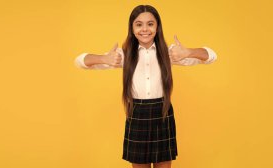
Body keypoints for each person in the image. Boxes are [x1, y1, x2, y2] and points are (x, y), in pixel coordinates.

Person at [74, 5, 217, 168]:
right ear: (132, 28)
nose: (145, 29)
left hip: (162, 113)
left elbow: (211, 56)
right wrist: (104, 59)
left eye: (150, 24)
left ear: (157, 27)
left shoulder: (169, 53)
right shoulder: (124, 54)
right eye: (138, 24)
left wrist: (188, 53)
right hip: (137, 115)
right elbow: (79, 61)